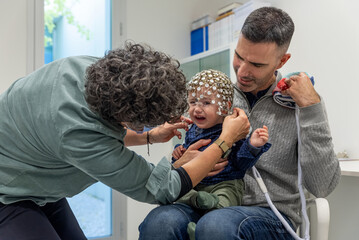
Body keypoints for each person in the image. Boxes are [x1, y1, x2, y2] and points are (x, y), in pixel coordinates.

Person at [0, 42, 250, 239]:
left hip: (36, 178)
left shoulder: (93, 71)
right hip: (7, 190)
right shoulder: (77, 133)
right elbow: (163, 189)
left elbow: (104, 129)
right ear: (128, 116)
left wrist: (149, 136)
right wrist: (225, 140)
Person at [139, 7, 341, 240]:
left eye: (256, 65)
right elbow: (179, 161)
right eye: (239, 57)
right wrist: (180, 162)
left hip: (270, 214)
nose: (242, 72)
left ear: (282, 61)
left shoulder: (301, 104)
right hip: (205, 199)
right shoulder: (215, 99)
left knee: (217, 226)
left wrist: (311, 108)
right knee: (159, 222)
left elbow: (323, 187)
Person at [171, 69, 271, 239]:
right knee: (176, 192)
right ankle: (197, 199)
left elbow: (241, 162)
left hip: (224, 184)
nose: (197, 109)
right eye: (193, 102)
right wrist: (179, 154)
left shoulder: (231, 128)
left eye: (206, 102)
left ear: (224, 107)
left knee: (225, 202)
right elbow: (186, 157)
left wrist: (253, 145)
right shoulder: (192, 129)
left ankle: (201, 228)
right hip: (195, 184)